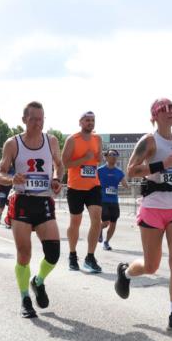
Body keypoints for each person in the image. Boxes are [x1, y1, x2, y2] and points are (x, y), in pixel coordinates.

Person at [115, 98, 172, 335]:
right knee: (151, 265)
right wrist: (160, 165)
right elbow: (131, 171)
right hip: (153, 207)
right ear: (155, 116)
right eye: (164, 110)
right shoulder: (149, 141)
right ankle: (125, 273)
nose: (170, 113)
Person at [0, 101, 64, 318]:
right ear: (24, 120)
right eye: (33, 119)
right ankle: (25, 298)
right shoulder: (13, 144)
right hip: (23, 201)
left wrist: (55, 179)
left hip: (43, 199)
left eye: (41, 119)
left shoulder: (51, 140)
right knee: (24, 254)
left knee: (53, 253)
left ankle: (38, 281)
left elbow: (59, 164)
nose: (38, 123)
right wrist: (10, 178)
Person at [62, 111, 103, 272]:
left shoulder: (97, 138)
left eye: (92, 120)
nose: (90, 123)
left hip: (93, 185)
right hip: (75, 187)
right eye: (87, 120)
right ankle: (72, 255)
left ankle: (90, 257)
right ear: (80, 122)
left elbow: (98, 158)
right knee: (75, 222)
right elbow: (65, 163)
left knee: (97, 220)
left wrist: (99, 157)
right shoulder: (72, 140)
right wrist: (83, 160)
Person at [97, 149, 126, 251]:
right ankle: (99, 228)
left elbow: (125, 184)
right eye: (111, 154)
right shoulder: (99, 170)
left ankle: (106, 242)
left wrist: (126, 183)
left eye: (116, 155)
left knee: (113, 223)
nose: (114, 156)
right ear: (106, 157)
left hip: (114, 201)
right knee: (106, 222)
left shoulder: (119, 172)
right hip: (103, 200)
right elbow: (93, 183)